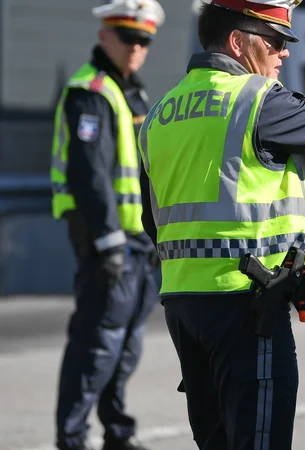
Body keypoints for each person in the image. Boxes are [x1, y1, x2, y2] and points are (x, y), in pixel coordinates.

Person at [136, 0, 305, 448]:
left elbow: (151, 218)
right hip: (247, 304)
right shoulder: (254, 100)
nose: (284, 54)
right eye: (275, 42)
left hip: (183, 307)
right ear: (239, 42)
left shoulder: (161, 112)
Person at [49, 1, 165, 449]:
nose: (136, 47)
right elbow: (88, 175)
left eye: (144, 41)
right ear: (105, 37)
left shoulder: (132, 92)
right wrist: (108, 241)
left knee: (126, 342)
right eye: (127, 37)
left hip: (137, 240)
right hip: (107, 239)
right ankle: (73, 437)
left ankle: (117, 431)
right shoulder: (90, 92)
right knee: (98, 341)